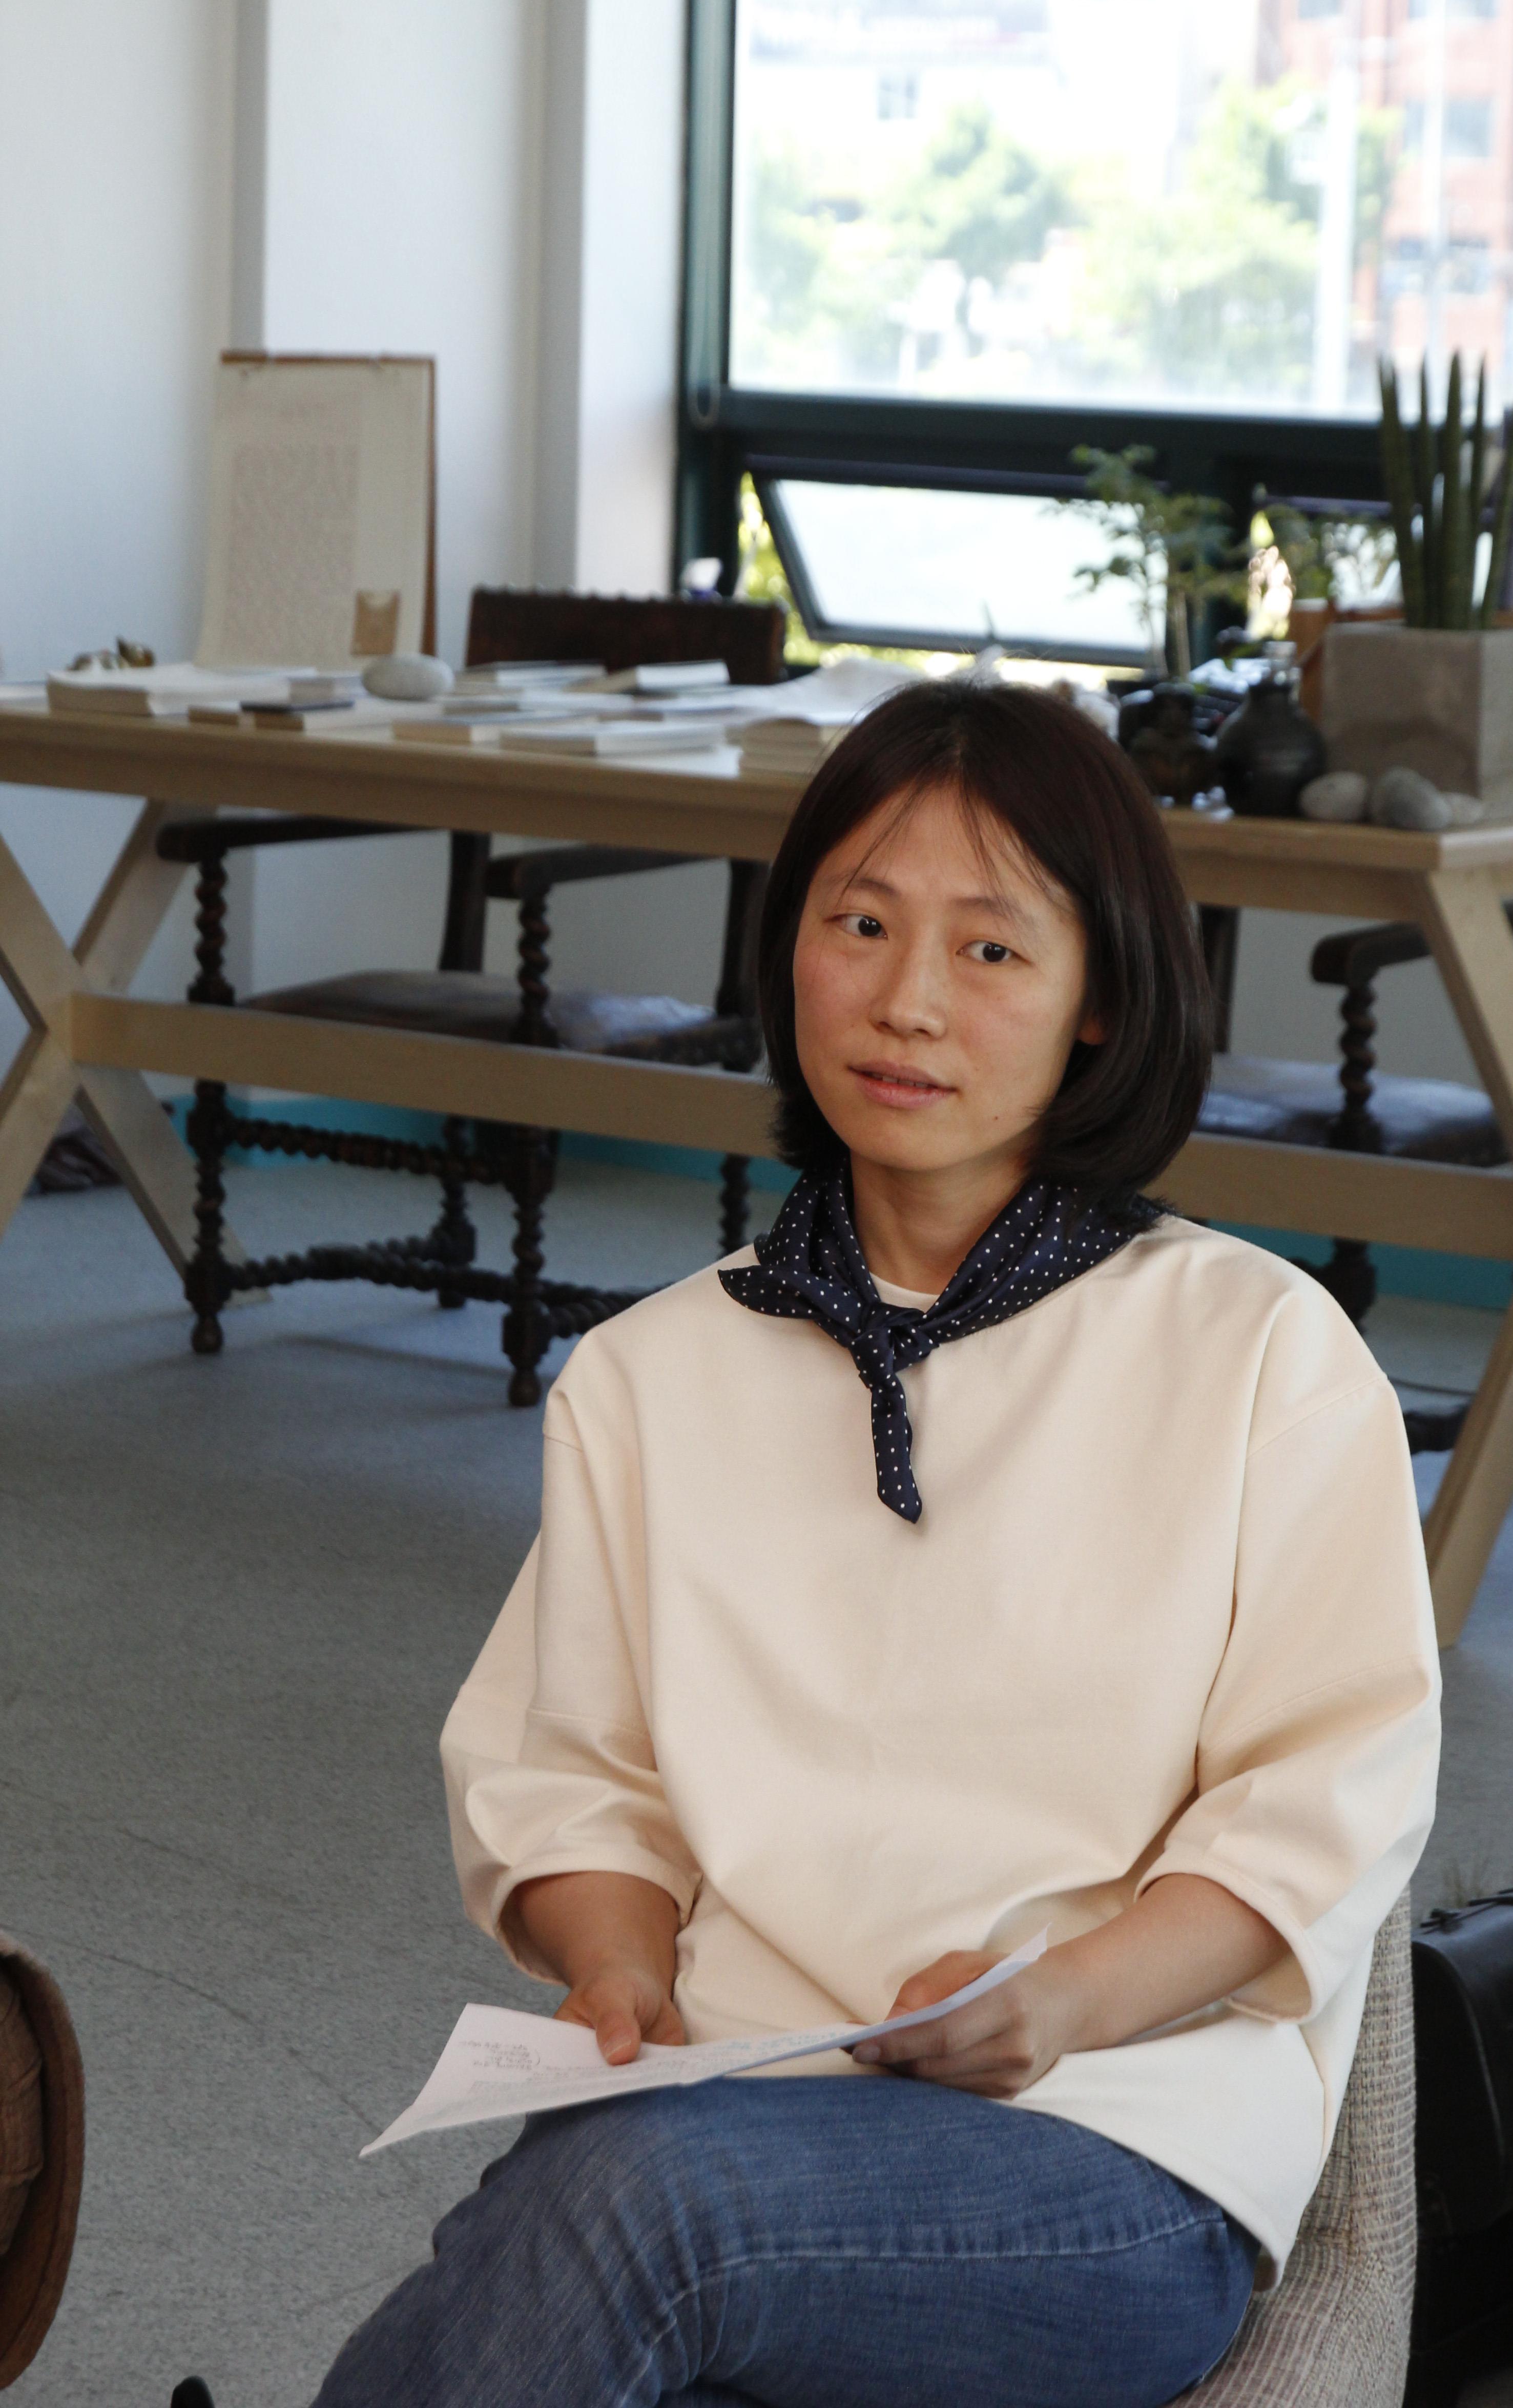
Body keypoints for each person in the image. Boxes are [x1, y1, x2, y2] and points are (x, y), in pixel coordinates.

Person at [314, 679, 1440, 2408]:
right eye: (859, 924)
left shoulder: (1259, 1353)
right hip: (734, 2104)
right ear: (791, 949)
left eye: (989, 949)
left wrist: (1064, 2000)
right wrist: (616, 1964)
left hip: (1109, 2146)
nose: (907, 998)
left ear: (1099, 1001)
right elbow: (577, 1779)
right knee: (613, 2239)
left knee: (631, 2215)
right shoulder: (650, 1374)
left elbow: (1327, 1805)